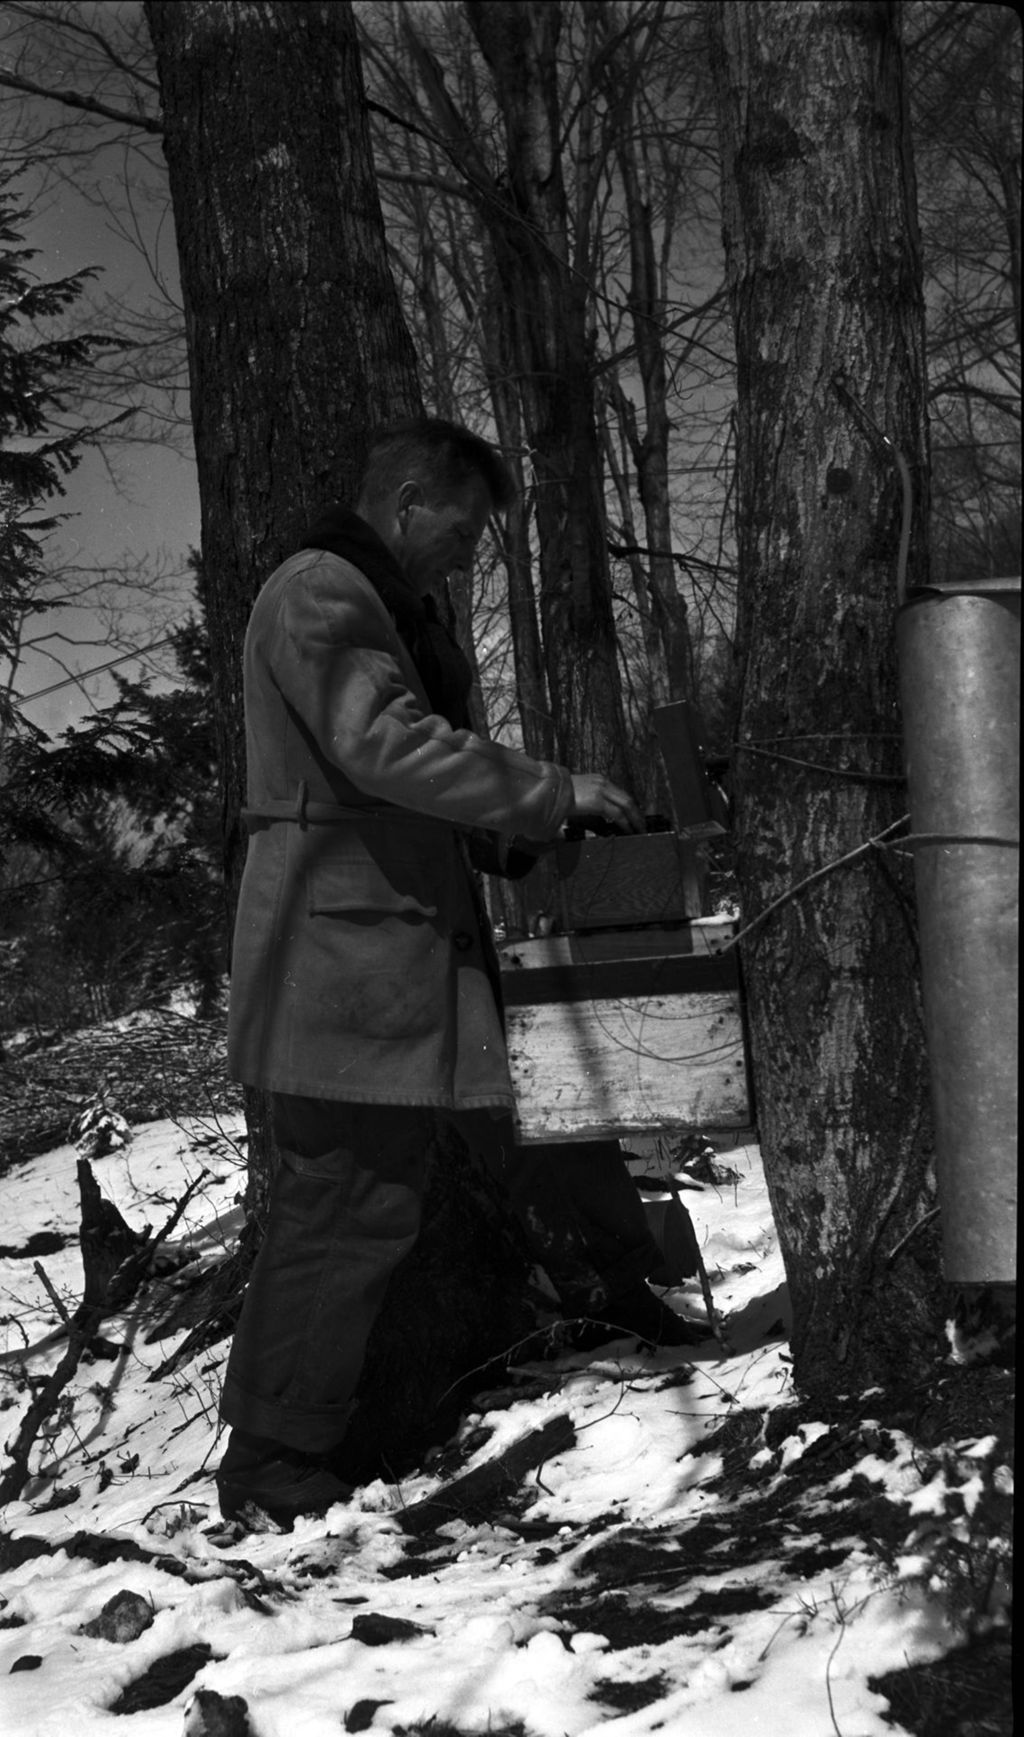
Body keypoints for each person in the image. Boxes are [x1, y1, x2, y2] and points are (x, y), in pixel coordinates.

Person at [217, 419, 701, 1529]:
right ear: (405, 500)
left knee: (539, 1131)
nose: (470, 553)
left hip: (396, 960)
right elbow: (380, 747)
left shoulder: (388, 609)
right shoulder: (320, 593)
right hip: (338, 960)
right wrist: (547, 790)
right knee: (345, 1208)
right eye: (465, 527)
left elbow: (401, 776)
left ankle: (623, 1301)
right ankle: (271, 1463)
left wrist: (513, 837)